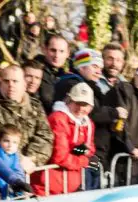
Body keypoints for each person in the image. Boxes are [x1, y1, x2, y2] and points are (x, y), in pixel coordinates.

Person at [53, 48, 126, 187]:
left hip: (83, 163)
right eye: (95, 66)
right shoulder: (60, 116)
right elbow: (63, 153)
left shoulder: (86, 121)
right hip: (63, 177)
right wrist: (114, 113)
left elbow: (85, 147)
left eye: (101, 67)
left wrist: (84, 153)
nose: (99, 71)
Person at [31, 82, 95, 196]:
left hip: (68, 188)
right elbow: (60, 156)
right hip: (45, 188)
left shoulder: (88, 123)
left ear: (91, 107)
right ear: (69, 101)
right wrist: (83, 160)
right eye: (77, 103)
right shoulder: (58, 119)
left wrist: (75, 151)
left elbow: (90, 149)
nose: (80, 108)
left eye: (85, 104)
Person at [0, 65, 54, 169]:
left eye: (15, 81)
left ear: (24, 84)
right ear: (0, 83)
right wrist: (18, 160)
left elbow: (45, 137)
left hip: (30, 168)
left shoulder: (35, 106)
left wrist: (31, 158)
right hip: (2, 169)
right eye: (6, 81)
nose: (11, 85)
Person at [0, 124, 29, 199]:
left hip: (8, 190)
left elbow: (18, 170)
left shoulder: (15, 156)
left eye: (14, 142)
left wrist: (20, 183)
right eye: (6, 141)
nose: (10, 145)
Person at [37, 34, 70, 114]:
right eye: (53, 50)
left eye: (61, 51)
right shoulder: (35, 71)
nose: (57, 56)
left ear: (67, 54)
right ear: (44, 50)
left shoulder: (68, 75)